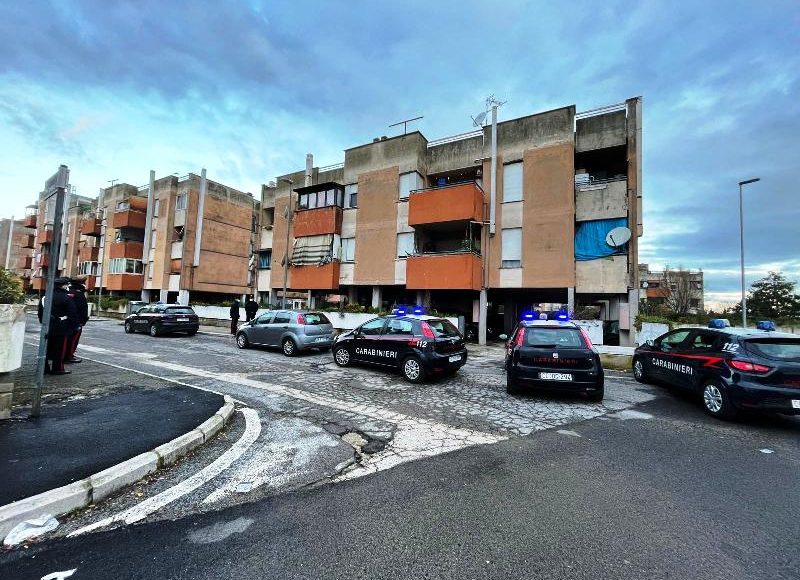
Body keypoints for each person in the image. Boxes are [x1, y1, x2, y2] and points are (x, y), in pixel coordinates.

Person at [37, 277, 80, 375]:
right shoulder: (67, 298)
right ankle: (58, 368)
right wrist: (74, 326)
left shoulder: (45, 297)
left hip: (48, 325)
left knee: (46, 348)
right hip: (62, 326)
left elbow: (40, 313)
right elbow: (72, 314)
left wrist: (43, 323)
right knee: (60, 349)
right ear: (63, 286)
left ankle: (44, 368)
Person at [66, 277, 90, 363]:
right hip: (77, 321)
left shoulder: (68, 292)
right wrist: (82, 321)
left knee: (67, 339)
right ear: (80, 284)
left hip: (68, 320)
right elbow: (82, 309)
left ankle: (67, 354)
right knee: (73, 340)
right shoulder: (79, 294)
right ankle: (69, 356)